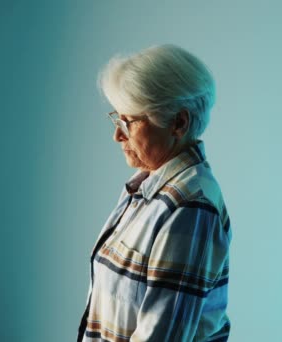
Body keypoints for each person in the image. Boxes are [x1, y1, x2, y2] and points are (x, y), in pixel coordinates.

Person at [77, 44, 232, 342]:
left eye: (129, 122)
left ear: (179, 123)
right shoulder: (147, 190)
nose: (117, 134)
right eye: (117, 118)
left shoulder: (190, 207)